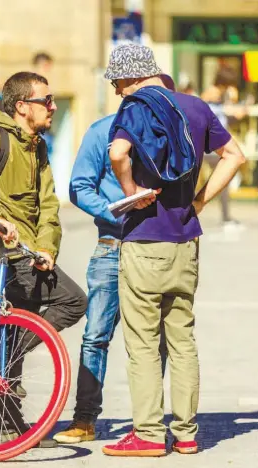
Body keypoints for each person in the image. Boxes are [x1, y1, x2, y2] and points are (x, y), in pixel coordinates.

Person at [101, 44, 245, 457]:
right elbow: (234, 156)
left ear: (130, 77)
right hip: (186, 240)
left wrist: (130, 193)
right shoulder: (195, 106)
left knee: (143, 343)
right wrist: (199, 202)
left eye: (116, 83)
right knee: (182, 339)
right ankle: (185, 434)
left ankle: (147, 434)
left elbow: (118, 153)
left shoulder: (135, 107)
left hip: (145, 240)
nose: (116, 92)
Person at [0, 71, 88, 446]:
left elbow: (48, 205)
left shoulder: (38, 146)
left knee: (18, 324)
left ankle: (7, 424)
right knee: (73, 300)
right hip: (6, 249)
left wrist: (48, 246)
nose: (52, 107)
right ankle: (2, 364)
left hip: (32, 250)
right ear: (21, 106)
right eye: (45, 101)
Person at [53, 74, 176, 445]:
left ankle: (148, 425)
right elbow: (79, 186)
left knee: (155, 341)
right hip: (112, 246)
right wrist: (114, 210)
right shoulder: (102, 131)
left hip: (156, 248)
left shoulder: (169, 135)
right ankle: (84, 420)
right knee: (96, 336)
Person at [201, 66, 246, 230]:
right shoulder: (213, 93)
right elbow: (214, 111)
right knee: (224, 177)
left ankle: (225, 216)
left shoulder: (219, 93)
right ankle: (224, 216)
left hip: (214, 144)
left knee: (224, 179)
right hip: (211, 145)